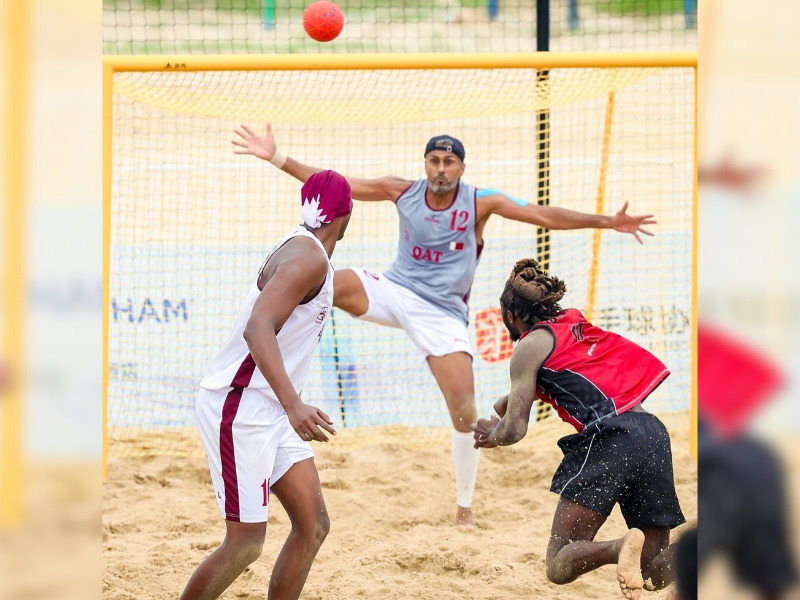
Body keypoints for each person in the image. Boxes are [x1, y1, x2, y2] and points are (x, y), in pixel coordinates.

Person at [232, 124, 657, 526]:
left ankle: (464, 508)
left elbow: (543, 215)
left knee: (465, 413)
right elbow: (337, 185)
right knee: (327, 281)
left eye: (449, 162)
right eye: (434, 161)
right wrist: (276, 157)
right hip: (394, 290)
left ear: (461, 168)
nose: (441, 169)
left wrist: (607, 221)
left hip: (443, 314)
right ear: (425, 165)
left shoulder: (479, 201)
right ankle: (264, 350)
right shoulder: (403, 191)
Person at [179, 170, 353, 600]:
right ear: (346, 216)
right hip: (240, 406)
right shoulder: (308, 257)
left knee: (313, 525)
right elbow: (258, 329)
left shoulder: (307, 251)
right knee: (245, 544)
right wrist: (294, 405)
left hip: (269, 407)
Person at [472, 258, 685, 599]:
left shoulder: (528, 346)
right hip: (652, 433)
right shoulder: (572, 321)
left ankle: (619, 547)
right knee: (652, 571)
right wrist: (505, 406)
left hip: (612, 437)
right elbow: (524, 393)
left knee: (558, 563)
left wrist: (491, 436)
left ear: (511, 316)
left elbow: (514, 429)